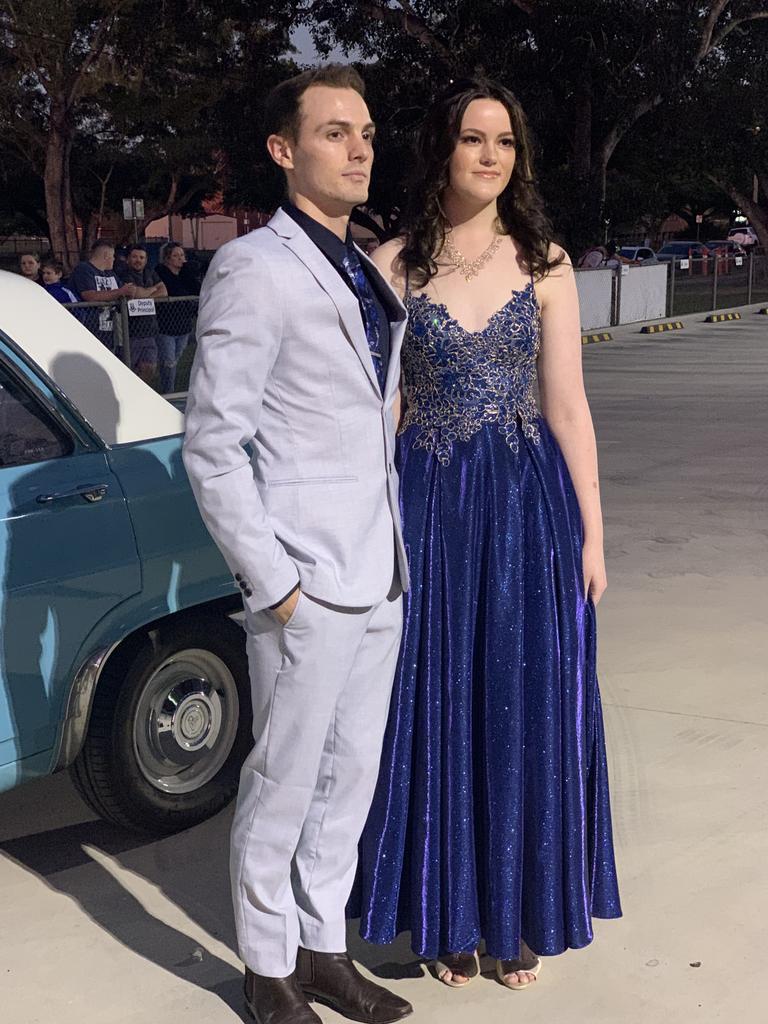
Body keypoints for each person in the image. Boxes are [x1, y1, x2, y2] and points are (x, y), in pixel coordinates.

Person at [356, 77, 622, 991]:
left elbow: (568, 407)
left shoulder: (546, 263)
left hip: (522, 512)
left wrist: (592, 531)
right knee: (434, 705)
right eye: (473, 139)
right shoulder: (392, 265)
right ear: (442, 149)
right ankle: (445, 916)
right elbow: (380, 413)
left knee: (521, 706)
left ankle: (514, 916)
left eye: (505, 141)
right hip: (426, 508)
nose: (490, 156)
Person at [182, 65, 413, 1024]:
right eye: (334, 132)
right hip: (307, 583)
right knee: (282, 783)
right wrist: (276, 586)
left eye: (364, 131)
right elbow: (212, 444)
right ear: (285, 151)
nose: (359, 148)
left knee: (347, 781)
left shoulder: (362, 265)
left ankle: (324, 949)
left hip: (381, 567)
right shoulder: (254, 267)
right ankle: (266, 967)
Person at [69, 241, 136, 352]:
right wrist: (120, 292)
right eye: (112, 256)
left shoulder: (110, 274)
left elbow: (122, 291)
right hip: (90, 329)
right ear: (105, 255)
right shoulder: (84, 269)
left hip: (109, 331)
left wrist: (128, 293)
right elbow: (89, 296)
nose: (114, 259)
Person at [118, 244, 167, 383]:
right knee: (129, 369)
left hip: (150, 330)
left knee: (149, 368)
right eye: (134, 257)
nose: (138, 260)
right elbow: (135, 293)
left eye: (141, 257)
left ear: (146, 260)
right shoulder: (124, 273)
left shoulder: (150, 272)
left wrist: (145, 297)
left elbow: (164, 291)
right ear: (128, 259)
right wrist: (153, 289)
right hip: (131, 332)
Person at [154, 242, 198, 393]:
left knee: (176, 359)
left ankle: (168, 388)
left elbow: (196, 289)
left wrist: (187, 271)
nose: (180, 259)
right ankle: (169, 392)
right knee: (168, 362)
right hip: (165, 327)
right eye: (175, 255)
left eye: (182, 255)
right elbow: (174, 291)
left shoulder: (185, 274)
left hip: (183, 326)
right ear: (167, 258)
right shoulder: (161, 272)